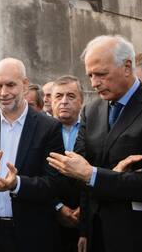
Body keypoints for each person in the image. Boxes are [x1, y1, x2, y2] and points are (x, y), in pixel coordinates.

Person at [47, 35, 142, 252]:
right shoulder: (91, 111)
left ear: (127, 67)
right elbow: (78, 174)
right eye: (90, 75)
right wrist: (84, 230)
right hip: (96, 232)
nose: (93, 83)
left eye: (101, 74)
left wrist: (95, 175)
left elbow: (87, 172)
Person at [0, 58, 65, 252]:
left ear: (25, 85)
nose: (3, 93)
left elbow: (55, 183)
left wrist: (16, 184)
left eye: (10, 84)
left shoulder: (49, 127)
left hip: (31, 235)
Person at [50, 75, 84, 252]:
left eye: (71, 96)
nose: (64, 101)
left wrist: (84, 209)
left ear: (81, 100)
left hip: (86, 221)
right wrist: (58, 207)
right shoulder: (41, 131)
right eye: (58, 96)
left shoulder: (93, 129)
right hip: (49, 221)